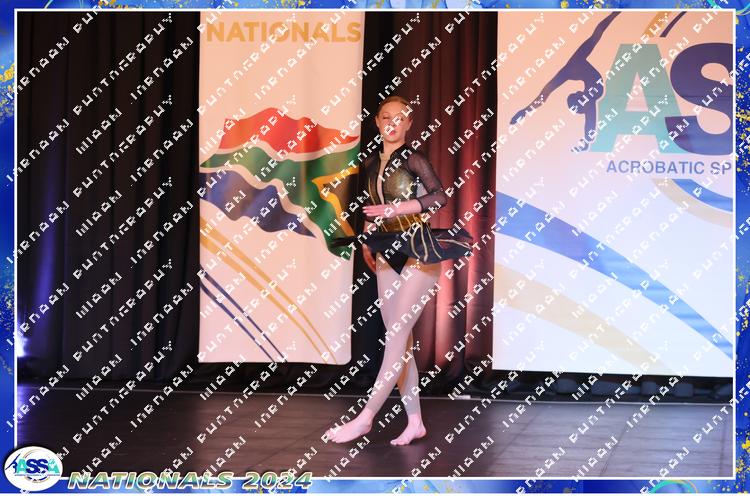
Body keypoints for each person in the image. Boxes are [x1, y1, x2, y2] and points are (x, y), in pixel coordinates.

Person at [325, 96, 473, 446]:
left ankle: (365, 418)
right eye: (386, 117)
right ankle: (415, 421)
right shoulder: (371, 163)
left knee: (395, 335)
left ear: (408, 123)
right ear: (377, 122)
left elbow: (439, 196)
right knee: (400, 341)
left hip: (419, 250)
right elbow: (373, 208)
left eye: (400, 118)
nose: (392, 123)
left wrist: (400, 208)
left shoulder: (413, 158)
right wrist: (368, 239)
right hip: (386, 250)